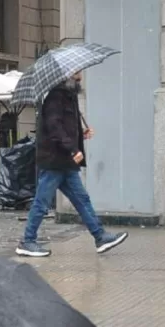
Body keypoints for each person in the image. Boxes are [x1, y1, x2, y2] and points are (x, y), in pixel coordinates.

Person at [16, 71, 127, 258]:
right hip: (54, 161)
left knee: (82, 199)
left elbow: (65, 128)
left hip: (65, 162)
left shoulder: (69, 96)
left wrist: (81, 134)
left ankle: (100, 237)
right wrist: (73, 150)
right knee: (42, 203)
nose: (80, 75)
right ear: (67, 74)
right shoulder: (55, 97)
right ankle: (27, 241)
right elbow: (54, 128)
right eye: (77, 72)